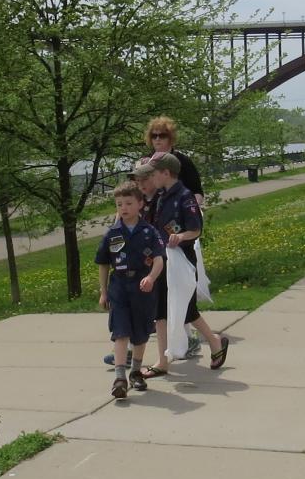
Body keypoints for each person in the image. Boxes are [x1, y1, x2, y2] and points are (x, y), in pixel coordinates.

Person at [137, 152, 229, 380]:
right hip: (162, 260)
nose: (151, 179)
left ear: (166, 173)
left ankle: (214, 341)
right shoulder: (160, 196)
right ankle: (163, 360)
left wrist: (180, 236)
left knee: (186, 309)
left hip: (181, 261)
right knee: (162, 310)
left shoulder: (184, 197)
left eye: (153, 174)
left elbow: (196, 229)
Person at [95, 182, 164, 399]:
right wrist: (103, 291)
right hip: (120, 287)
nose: (123, 208)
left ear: (140, 204)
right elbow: (104, 263)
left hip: (142, 288)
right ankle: (119, 378)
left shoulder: (149, 232)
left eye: (128, 203)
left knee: (141, 333)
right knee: (120, 331)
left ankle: (135, 372)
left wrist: (151, 277)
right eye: (119, 204)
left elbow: (159, 259)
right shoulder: (112, 233)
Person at [145, 115, 205, 205]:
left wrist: (192, 209)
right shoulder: (145, 162)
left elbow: (197, 191)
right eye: (154, 136)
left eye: (162, 135)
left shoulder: (184, 161)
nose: (157, 139)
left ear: (170, 137)